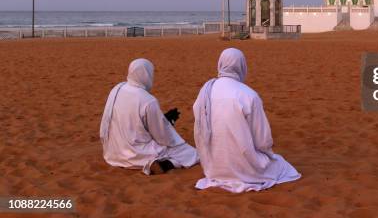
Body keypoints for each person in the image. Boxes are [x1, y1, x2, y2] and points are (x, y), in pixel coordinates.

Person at [193, 48, 301, 192]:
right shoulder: (248, 95)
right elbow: (263, 140)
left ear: (220, 64)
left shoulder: (205, 92)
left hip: (212, 167)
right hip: (244, 167)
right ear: (242, 66)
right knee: (285, 168)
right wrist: (267, 155)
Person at [100, 58, 199, 175]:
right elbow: (162, 137)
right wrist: (167, 125)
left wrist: (164, 120)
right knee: (191, 154)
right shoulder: (147, 100)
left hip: (112, 152)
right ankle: (166, 164)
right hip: (136, 152)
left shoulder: (117, 88)